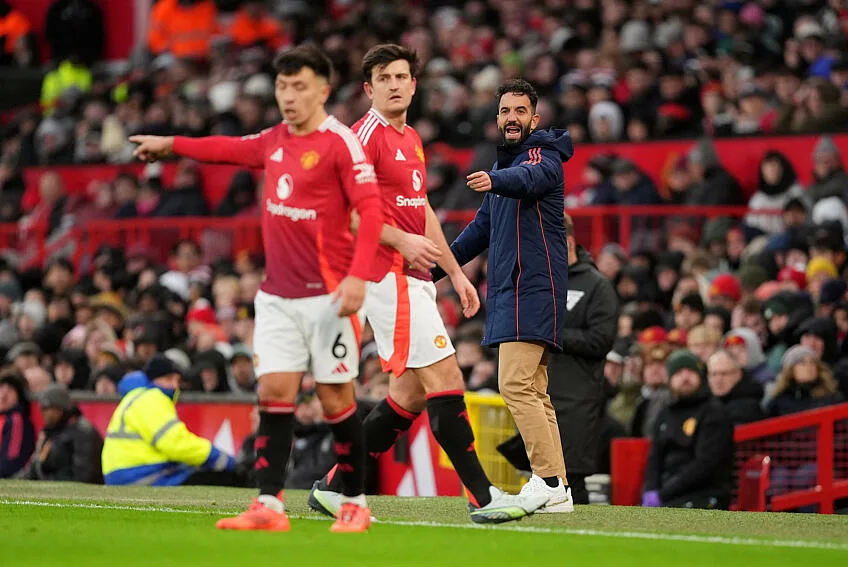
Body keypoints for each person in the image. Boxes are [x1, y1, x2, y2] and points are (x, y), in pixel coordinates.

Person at [129, 44, 385, 533]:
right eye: (282, 86)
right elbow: (226, 149)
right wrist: (172, 144)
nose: (288, 96)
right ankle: (269, 503)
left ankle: (354, 502)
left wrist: (358, 275)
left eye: (299, 87)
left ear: (323, 91)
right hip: (276, 298)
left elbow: (371, 211)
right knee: (273, 395)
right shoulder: (274, 139)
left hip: (329, 297)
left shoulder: (341, 143)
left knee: (335, 401)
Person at [309, 44, 546, 523]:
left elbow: (423, 210)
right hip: (385, 274)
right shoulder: (365, 136)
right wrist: (401, 241)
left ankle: (335, 487)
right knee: (447, 379)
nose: (394, 85)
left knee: (410, 395)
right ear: (369, 89)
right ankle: (483, 496)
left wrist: (455, 272)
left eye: (401, 76)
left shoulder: (411, 138)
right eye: (384, 78)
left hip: (412, 276)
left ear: (414, 85)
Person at [434, 78, 574, 510]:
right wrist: (434, 270)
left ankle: (546, 480)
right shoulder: (504, 170)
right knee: (533, 389)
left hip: (533, 288)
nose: (512, 118)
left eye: (520, 111)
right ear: (497, 119)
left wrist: (495, 180)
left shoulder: (544, 155)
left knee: (513, 383)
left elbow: (530, 178)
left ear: (535, 118)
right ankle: (558, 488)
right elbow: (479, 231)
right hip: (516, 291)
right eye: (505, 111)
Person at [545, 213, 619, 504]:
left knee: (571, 478)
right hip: (542, 394)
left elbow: (601, 340)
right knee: (542, 475)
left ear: (568, 242)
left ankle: (583, 528)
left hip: (578, 398)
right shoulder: (542, 280)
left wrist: (552, 334)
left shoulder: (597, 286)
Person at [101, 355, 236, 486]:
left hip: (126, 473)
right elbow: (175, 443)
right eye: (168, 379)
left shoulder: (136, 396)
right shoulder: (152, 398)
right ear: (153, 379)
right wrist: (219, 458)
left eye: (177, 380)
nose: (174, 385)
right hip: (142, 474)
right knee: (223, 479)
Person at [641, 350, 734, 510]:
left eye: (690, 371)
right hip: (669, 493)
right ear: (670, 379)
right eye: (678, 372)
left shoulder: (713, 412)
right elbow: (655, 457)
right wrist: (650, 489)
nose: (685, 377)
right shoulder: (666, 413)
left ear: (700, 376)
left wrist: (663, 494)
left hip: (705, 494)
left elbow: (704, 465)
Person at [22, 384, 103, 482]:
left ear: (62, 409)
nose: (47, 414)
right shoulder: (53, 431)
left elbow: (84, 476)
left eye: (50, 409)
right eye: (44, 409)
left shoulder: (83, 432)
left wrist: (46, 479)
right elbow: (35, 468)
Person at [706, 349, 765, 426]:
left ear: (738, 374)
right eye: (713, 374)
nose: (718, 380)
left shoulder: (748, 407)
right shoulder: (707, 402)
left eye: (724, 374)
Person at [0, 373, 35, 478]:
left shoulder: (16, 420)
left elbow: (11, 460)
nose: (3, 395)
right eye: (1, 388)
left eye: (10, 390)